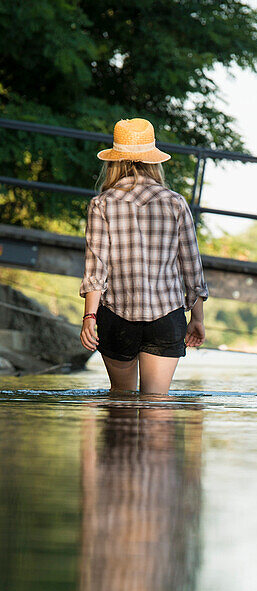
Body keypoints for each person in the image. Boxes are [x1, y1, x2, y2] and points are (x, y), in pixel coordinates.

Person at [79, 117, 209, 395]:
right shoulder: (175, 202)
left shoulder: (101, 203)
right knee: (156, 409)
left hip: (116, 314)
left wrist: (90, 316)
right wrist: (197, 318)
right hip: (166, 314)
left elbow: (96, 268)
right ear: (154, 160)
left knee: (121, 405)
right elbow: (191, 267)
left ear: (114, 161)